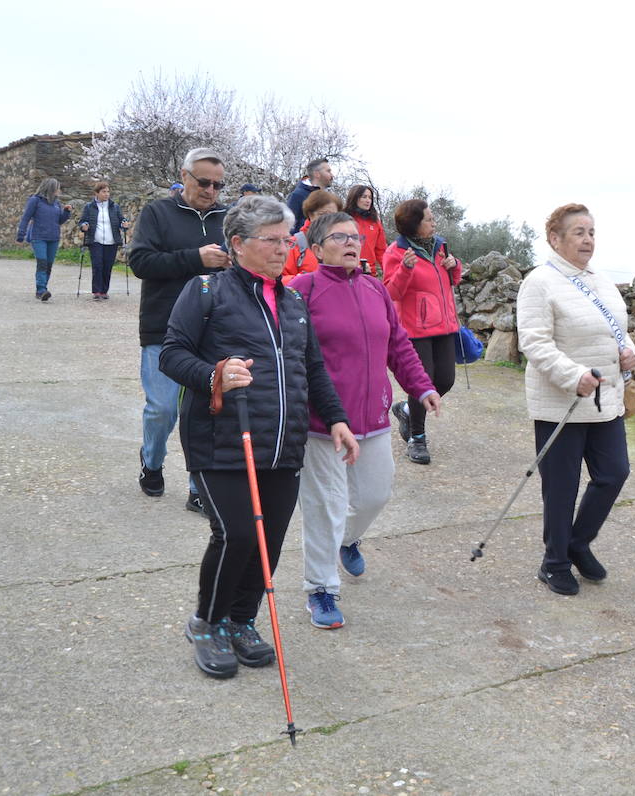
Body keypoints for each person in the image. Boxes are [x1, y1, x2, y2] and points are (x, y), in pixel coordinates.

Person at [161, 195, 359, 678]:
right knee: (236, 534)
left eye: (287, 239)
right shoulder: (206, 290)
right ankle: (207, 621)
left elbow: (311, 367)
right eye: (271, 240)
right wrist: (215, 373)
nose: (284, 248)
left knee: (267, 540)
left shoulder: (292, 300)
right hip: (222, 440)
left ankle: (241, 619)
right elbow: (172, 354)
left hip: (283, 444)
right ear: (238, 243)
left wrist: (335, 418)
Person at [289, 212, 441, 628]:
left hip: (373, 418)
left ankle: (348, 540)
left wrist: (423, 387)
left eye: (355, 237)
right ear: (317, 250)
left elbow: (399, 345)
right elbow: (288, 355)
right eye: (340, 237)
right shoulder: (302, 289)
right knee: (325, 507)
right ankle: (320, 589)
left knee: (375, 495)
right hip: (321, 426)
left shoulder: (375, 288)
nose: (352, 243)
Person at [516, 203, 635, 596]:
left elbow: (617, 327)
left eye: (592, 232)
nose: (588, 240)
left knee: (614, 473)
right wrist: (574, 375)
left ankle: (577, 543)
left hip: (606, 400)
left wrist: (629, 350)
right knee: (562, 487)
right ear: (555, 238)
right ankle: (554, 564)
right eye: (579, 232)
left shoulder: (600, 280)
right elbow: (534, 342)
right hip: (560, 403)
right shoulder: (539, 282)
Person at [129, 148, 231, 510]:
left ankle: (197, 486)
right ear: (184, 176)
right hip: (163, 327)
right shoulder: (158, 212)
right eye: (204, 182)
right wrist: (196, 259)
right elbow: (139, 262)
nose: (211, 190)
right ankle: (151, 462)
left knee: (205, 413)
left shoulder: (227, 217)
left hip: (214, 330)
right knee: (163, 409)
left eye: (218, 184)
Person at [383, 199, 462, 465]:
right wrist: (405, 269)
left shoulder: (440, 246)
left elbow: (452, 280)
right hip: (416, 328)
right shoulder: (396, 252)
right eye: (429, 219)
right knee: (423, 382)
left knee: (447, 380)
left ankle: (406, 410)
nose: (434, 222)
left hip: (445, 324)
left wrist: (455, 266)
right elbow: (391, 292)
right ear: (414, 225)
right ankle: (417, 437)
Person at [15, 177, 72, 301]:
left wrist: (66, 212)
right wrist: (20, 235)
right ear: (51, 188)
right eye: (58, 188)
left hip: (53, 238)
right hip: (38, 237)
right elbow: (25, 218)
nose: (59, 190)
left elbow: (59, 221)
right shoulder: (35, 200)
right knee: (42, 263)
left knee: (48, 265)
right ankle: (41, 290)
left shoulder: (56, 203)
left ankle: (42, 289)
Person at [77, 181, 128, 300]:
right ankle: (97, 291)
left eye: (108, 192)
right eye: (104, 192)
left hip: (112, 241)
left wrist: (124, 224)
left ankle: (104, 291)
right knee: (97, 265)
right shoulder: (89, 207)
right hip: (95, 240)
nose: (107, 194)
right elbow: (82, 221)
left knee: (107, 266)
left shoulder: (114, 207)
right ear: (97, 193)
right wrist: (84, 225)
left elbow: (121, 220)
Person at [282, 190, 342, 278]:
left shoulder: (344, 242)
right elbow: (279, 279)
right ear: (310, 215)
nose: (328, 219)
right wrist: (303, 281)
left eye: (333, 215)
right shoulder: (295, 244)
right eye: (322, 214)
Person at [344, 184, 388, 276]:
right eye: (364, 197)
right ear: (355, 198)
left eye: (370, 198)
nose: (368, 200)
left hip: (369, 272)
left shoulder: (375, 222)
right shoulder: (343, 219)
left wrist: (389, 270)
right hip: (346, 271)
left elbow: (381, 251)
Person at [286, 158, 333, 233]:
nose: (332, 175)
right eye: (328, 171)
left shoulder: (328, 197)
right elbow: (288, 226)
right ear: (317, 174)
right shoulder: (297, 195)